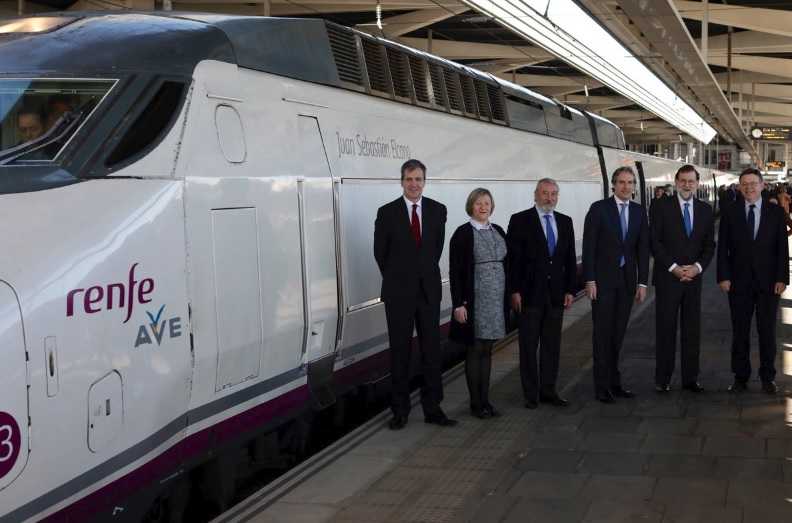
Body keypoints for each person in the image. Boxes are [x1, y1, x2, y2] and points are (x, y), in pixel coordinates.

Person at [374, 159, 457, 430]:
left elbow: (435, 250)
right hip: (398, 293)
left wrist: (420, 274)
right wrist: (402, 278)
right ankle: (400, 411)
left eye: (418, 179)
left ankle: (433, 407)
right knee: (400, 352)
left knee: (431, 351)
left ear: (424, 181)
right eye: (409, 179)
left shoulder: (437, 210)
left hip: (428, 292)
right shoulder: (386, 213)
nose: (414, 184)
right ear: (401, 181)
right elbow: (380, 254)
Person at [717, 168, 789, 394]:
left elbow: (782, 248)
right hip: (738, 283)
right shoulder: (730, 211)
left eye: (753, 183)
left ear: (762, 185)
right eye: (744, 184)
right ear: (739, 187)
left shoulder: (775, 213)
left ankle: (768, 377)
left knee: (767, 332)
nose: (749, 187)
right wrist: (723, 276)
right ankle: (740, 377)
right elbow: (723, 249)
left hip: (769, 284)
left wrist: (782, 278)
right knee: (740, 332)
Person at [507, 178, 576, 409]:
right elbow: (513, 261)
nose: (549, 198)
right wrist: (514, 290)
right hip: (529, 295)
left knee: (552, 346)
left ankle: (549, 391)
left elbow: (569, 259)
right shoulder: (520, 220)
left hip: (556, 295)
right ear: (535, 195)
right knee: (528, 346)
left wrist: (569, 289)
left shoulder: (565, 222)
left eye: (554, 194)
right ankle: (531, 395)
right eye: (545, 193)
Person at [582, 166, 650, 403]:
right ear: (613, 184)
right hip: (602, 283)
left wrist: (643, 283)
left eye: (630, 183)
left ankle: (614, 382)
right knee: (602, 334)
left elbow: (642, 249)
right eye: (621, 182)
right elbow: (588, 247)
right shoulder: (599, 209)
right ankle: (601, 386)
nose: (626, 186)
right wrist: (589, 280)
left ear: (634, 186)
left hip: (627, 283)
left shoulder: (640, 212)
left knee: (618, 335)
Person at [650, 165, 715, 393]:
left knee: (692, 331)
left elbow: (709, 245)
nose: (687, 185)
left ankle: (690, 379)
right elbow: (655, 242)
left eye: (691, 181)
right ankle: (663, 379)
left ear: (697, 183)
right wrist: (674, 268)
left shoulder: (706, 210)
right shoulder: (660, 207)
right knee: (665, 330)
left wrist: (697, 268)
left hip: (693, 280)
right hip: (669, 279)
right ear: (676, 182)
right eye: (683, 181)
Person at [449, 188, 508, 419]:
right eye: (478, 203)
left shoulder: (498, 230)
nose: (483, 207)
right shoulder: (463, 234)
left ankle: (486, 400)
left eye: (486, 203)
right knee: (475, 349)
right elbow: (456, 271)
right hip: (475, 300)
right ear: (470, 206)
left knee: (488, 350)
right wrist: (458, 304)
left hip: (495, 301)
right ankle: (476, 404)